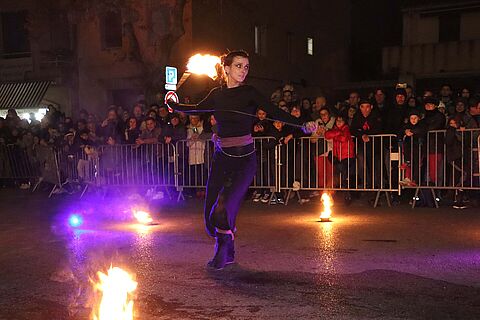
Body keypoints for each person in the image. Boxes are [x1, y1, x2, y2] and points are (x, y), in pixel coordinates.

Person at [170, 50, 315, 270]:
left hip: (244, 160)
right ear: (226, 68)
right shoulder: (216, 94)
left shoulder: (250, 93)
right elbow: (196, 108)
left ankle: (222, 248)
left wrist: (303, 124)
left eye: (246, 67)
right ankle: (228, 248)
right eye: (238, 66)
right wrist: (174, 104)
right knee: (211, 216)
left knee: (222, 208)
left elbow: (275, 111)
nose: (243, 70)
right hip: (222, 159)